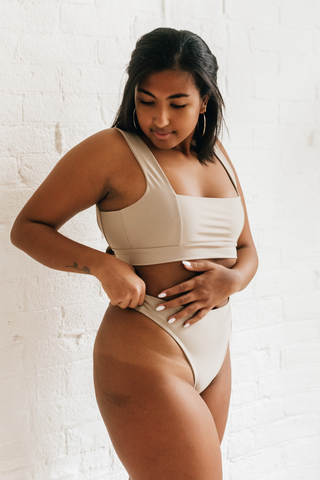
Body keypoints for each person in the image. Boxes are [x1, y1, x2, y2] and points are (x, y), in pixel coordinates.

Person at [11, 28, 258, 480]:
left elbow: (246, 249)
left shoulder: (217, 155)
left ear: (204, 100)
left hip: (215, 352)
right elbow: (28, 229)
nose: (159, 118)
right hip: (147, 353)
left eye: (178, 104)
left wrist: (234, 280)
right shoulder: (111, 151)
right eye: (146, 100)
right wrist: (102, 265)